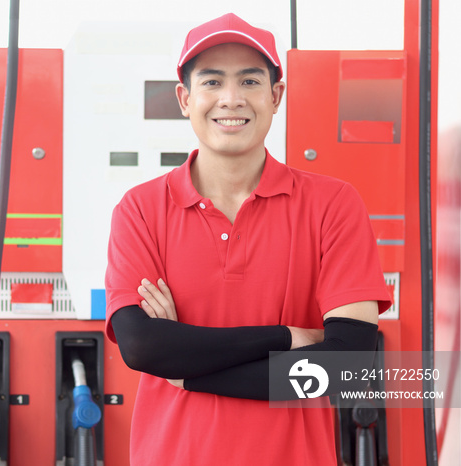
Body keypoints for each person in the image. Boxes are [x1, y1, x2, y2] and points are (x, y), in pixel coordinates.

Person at [104, 13, 392, 465]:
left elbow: (343, 367)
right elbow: (144, 347)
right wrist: (288, 337)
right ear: (185, 98)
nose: (231, 99)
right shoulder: (140, 209)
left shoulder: (333, 204)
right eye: (213, 82)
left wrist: (189, 368)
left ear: (276, 96)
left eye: (251, 81)